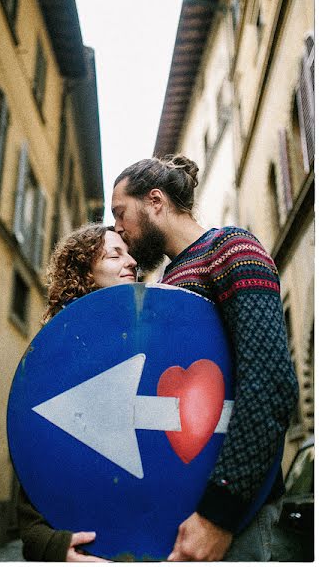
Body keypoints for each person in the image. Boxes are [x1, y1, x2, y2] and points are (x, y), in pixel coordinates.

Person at [111, 154, 299, 562]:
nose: (118, 230)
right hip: (174, 511)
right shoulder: (164, 282)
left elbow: (270, 382)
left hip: (234, 518)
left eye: (121, 213)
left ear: (155, 201)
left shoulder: (232, 248)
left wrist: (219, 515)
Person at [16, 223, 137, 562]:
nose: (131, 262)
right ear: (84, 271)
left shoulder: (145, 341)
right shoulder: (54, 356)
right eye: (115, 255)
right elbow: (33, 465)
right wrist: (52, 546)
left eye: (130, 254)